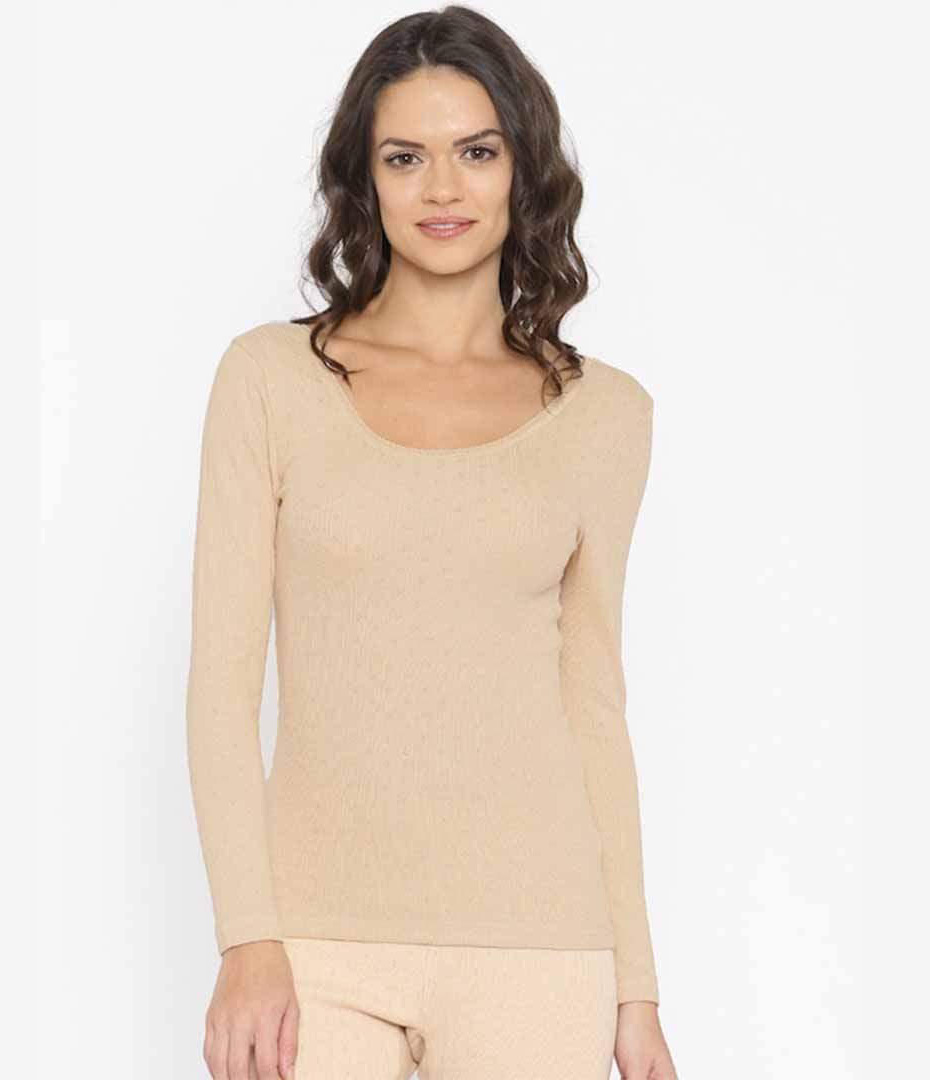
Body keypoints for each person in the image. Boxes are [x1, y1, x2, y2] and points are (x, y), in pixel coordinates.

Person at [185, 7, 678, 1079]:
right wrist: (246, 939)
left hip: (540, 948)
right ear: (365, 181)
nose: (443, 189)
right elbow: (220, 688)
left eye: (477, 152)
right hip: (312, 947)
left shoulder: (606, 414)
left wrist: (635, 990)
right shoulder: (269, 380)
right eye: (405, 157)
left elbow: (594, 707)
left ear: (523, 168)